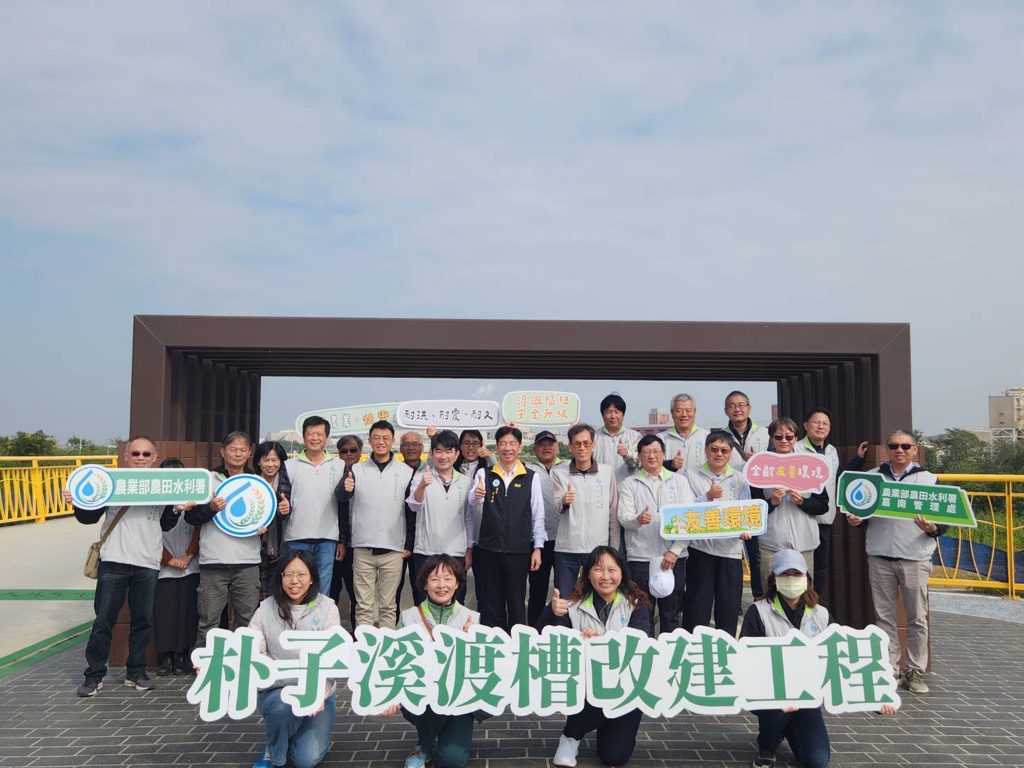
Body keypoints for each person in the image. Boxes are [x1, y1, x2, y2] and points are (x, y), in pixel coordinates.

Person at [64, 436, 179, 696]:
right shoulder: (110, 483)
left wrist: (177, 509)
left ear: (155, 458)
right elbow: (88, 517)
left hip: (147, 562)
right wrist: (78, 500)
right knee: (104, 621)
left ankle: (136, 672)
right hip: (114, 559)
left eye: (146, 454)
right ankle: (93, 675)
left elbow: (165, 524)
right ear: (125, 456)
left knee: (142, 621)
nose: (140, 458)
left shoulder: (164, 485)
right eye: (135, 453)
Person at [845, 430, 945, 694]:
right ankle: (889, 668)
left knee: (917, 618)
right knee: (884, 617)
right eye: (893, 446)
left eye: (905, 446)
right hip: (880, 556)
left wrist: (933, 528)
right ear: (887, 449)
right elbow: (862, 512)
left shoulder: (929, 479)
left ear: (915, 449)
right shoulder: (872, 478)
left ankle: (915, 670)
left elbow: (944, 521)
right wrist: (857, 519)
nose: (899, 450)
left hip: (915, 558)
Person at [536, 545, 651, 767]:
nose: (605, 576)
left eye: (612, 569)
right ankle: (571, 736)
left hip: (625, 689)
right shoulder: (572, 606)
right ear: (588, 574)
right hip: (587, 688)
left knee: (614, 757)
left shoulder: (634, 605)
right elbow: (545, 639)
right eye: (598, 569)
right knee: (592, 686)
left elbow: (639, 643)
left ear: (622, 573)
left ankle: (606, 722)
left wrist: (603, 642)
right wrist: (550, 612)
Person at [741, 549, 832, 768]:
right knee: (776, 711)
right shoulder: (758, 611)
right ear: (774, 579)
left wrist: (876, 699)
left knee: (817, 760)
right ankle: (768, 744)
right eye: (785, 574)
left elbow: (837, 659)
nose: (791, 579)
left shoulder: (821, 614)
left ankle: (788, 726)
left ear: (806, 578)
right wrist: (776, 694)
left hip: (805, 695)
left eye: (797, 574)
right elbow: (747, 661)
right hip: (769, 692)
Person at [249, 549, 340, 768]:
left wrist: (321, 691)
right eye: (288, 574)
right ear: (280, 578)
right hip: (277, 691)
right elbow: (252, 651)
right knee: (283, 708)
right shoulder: (265, 608)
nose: (294, 581)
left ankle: (292, 734)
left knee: (305, 760)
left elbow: (333, 658)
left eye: (301, 574)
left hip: (316, 693)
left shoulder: (328, 607)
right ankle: (274, 750)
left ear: (312, 578)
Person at [388, 554, 479, 768]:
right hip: (423, 696)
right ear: (424, 584)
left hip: (459, 700)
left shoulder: (472, 618)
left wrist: (473, 640)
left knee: (453, 761)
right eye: (434, 579)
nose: (441, 585)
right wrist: (391, 695)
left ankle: (444, 732)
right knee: (431, 698)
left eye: (448, 579)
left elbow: (481, 667)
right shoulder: (409, 616)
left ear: (457, 583)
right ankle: (425, 745)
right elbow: (395, 658)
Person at [186, 432, 262, 649]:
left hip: (247, 561)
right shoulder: (208, 479)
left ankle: (245, 662)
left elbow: (268, 517)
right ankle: (204, 663)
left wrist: (264, 527)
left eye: (243, 450)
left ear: (249, 453)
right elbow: (191, 518)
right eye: (233, 449)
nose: (238, 454)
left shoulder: (256, 482)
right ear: (222, 451)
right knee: (208, 620)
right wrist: (211, 508)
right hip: (213, 562)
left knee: (247, 620)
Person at [469, 425, 546, 632]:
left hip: (518, 550)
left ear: (520, 447)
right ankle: (496, 644)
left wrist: (538, 548)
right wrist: (476, 494)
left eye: (512, 443)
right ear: (496, 447)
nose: (507, 448)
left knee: (516, 601)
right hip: (489, 548)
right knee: (492, 603)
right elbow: (472, 501)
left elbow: (538, 514)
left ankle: (518, 643)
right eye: (503, 443)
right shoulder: (485, 474)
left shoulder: (530, 477)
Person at [339, 420, 414, 629]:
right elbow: (341, 500)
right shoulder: (356, 469)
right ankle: (364, 644)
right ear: (369, 440)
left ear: (392, 441)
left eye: (386, 438)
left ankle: (386, 645)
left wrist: (408, 543)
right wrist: (345, 488)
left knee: (388, 606)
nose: (381, 442)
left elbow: (411, 511)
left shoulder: (406, 471)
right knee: (363, 606)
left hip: (393, 548)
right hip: (362, 547)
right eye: (377, 438)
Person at [616, 434, 691, 635]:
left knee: (670, 613)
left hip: (672, 558)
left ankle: (669, 651)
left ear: (663, 454)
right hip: (640, 557)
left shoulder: (680, 482)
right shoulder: (629, 483)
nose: (652, 456)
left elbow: (689, 521)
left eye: (656, 451)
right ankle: (645, 649)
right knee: (642, 612)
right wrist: (638, 519)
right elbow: (623, 517)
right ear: (639, 456)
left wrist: (675, 551)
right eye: (646, 452)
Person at [683, 430, 753, 638]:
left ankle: (726, 652)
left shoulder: (740, 478)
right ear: (705, 450)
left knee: (728, 610)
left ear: (731, 453)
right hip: (700, 550)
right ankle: (694, 650)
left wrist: (746, 529)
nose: (719, 454)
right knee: (697, 610)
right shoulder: (690, 475)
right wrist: (708, 496)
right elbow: (683, 510)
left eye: (724, 450)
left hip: (731, 552)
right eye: (714, 449)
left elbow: (746, 512)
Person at [795, 407, 867, 596]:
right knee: (800, 565)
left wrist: (858, 459)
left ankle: (813, 603)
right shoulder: (796, 448)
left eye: (825, 424)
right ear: (806, 425)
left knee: (820, 566)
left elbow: (836, 475)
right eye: (816, 422)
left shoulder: (831, 450)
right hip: (802, 516)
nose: (821, 427)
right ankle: (797, 603)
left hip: (824, 518)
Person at [753, 418, 829, 590]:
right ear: (771, 438)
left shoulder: (809, 466)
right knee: (770, 591)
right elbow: (753, 509)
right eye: (778, 437)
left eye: (789, 437)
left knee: (803, 592)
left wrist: (802, 501)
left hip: (804, 542)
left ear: (796, 438)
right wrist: (772, 502)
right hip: (771, 543)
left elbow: (823, 505)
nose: (784, 441)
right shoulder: (761, 467)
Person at [406, 430, 473, 604]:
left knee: (455, 602)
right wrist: (422, 486)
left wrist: (469, 549)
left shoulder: (465, 482)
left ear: (457, 454)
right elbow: (413, 506)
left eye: (448, 451)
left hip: (456, 552)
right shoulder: (421, 477)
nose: (443, 456)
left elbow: (469, 519)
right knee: (425, 603)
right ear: (431, 453)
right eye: (439, 451)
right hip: (426, 551)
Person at [551, 424, 620, 596]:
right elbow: (556, 505)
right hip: (567, 548)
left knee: (598, 598)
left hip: (598, 548)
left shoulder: (606, 472)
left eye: (586, 443)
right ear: (570, 447)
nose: (582, 448)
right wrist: (564, 501)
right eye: (577, 444)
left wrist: (614, 548)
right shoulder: (559, 472)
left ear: (593, 445)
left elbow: (613, 512)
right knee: (564, 599)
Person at [283, 416, 344, 596]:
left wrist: (342, 540)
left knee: (322, 590)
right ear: (303, 437)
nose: (314, 438)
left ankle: (320, 617)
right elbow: (283, 497)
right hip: (297, 537)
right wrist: (283, 507)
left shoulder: (339, 465)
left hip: (327, 539)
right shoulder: (289, 466)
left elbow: (344, 507)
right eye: (310, 434)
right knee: (296, 588)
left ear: (326, 437)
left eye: (319, 434)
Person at [155, 458, 201, 677]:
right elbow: (148, 533)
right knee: (165, 612)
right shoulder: (153, 500)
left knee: (188, 611)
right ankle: (165, 656)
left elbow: (199, 528)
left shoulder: (194, 499)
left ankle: (183, 655)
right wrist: (168, 559)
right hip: (163, 567)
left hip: (189, 565)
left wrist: (188, 555)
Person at [722, 391, 770, 598]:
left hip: (757, 500)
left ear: (749, 408)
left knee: (756, 553)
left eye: (741, 405)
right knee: (729, 555)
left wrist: (760, 460)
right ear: (726, 410)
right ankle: (732, 600)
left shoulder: (765, 434)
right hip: (729, 501)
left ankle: (759, 596)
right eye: (732, 405)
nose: (737, 409)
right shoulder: (720, 436)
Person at [523, 430, 564, 626]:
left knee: (564, 591)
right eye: (541, 444)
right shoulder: (527, 469)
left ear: (558, 447)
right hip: (537, 542)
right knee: (537, 590)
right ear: (534, 449)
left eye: (550, 444)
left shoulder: (568, 467)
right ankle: (535, 629)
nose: (546, 448)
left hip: (564, 540)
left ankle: (561, 630)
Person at [453, 429, 491, 620]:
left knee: (485, 590)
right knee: (457, 588)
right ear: (459, 446)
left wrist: (490, 457)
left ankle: (482, 627)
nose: (471, 447)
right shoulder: (453, 468)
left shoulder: (488, 469)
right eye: (466, 443)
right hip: (458, 537)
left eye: (475, 443)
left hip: (483, 537)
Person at [253, 441, 293, 599]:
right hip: (255, 546)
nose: (270, 464)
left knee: (280, 593)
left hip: (282, 546)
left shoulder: (289, 484)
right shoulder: (252, 483)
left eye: (274, 460)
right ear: (258, 462)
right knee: (258, 593)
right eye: (266, 460)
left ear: (281, 462)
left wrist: (287, 509)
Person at [331, 434, 363, 628]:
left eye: (353, 450)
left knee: (356, 594)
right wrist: (341, 540)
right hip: (335, 542)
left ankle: (357, 632)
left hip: (358, 545)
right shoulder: (333, 474)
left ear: (360, 452)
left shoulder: (366, 474)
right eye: (344, 451)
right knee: (331, 591)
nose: (349, 454)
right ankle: (331, 631)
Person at [395, 431, 427, 613]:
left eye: (415, 444)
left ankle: (422, 625)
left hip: (422, 540)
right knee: (394, 591)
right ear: (400, 448)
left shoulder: (429, 471)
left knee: (421, 589)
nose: (411, 448)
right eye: (406, 444)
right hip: (398, 540)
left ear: (422, 448)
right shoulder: (396, 472)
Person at [592, 393, 641, 485]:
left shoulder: (635, 436)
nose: (613, 416)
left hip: (627, 489)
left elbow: (641, 463)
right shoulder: (593, 437)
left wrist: (628, 454)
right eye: (608, 412)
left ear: (623, 414)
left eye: (617, 412)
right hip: (600, 488)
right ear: (602, 415)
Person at [659, 393, 710, 475]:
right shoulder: (661, 438)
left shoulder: (706, 437)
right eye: (679, 411)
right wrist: (670, 465)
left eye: (688, 410)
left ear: (695, 412)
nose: (684, 414)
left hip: (699, 483)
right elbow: (653, 466)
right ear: (672, 413)